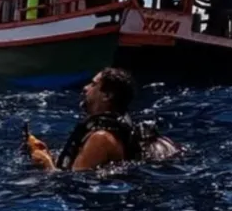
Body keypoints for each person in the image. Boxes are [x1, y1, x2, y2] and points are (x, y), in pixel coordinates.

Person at [25, 67, 182, 172]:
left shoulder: (101, 138)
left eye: (93, 85)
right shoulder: (110, 129)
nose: (85, 88)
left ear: (107, 95)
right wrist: (48, 154)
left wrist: (45, 164)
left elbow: (70, 185)